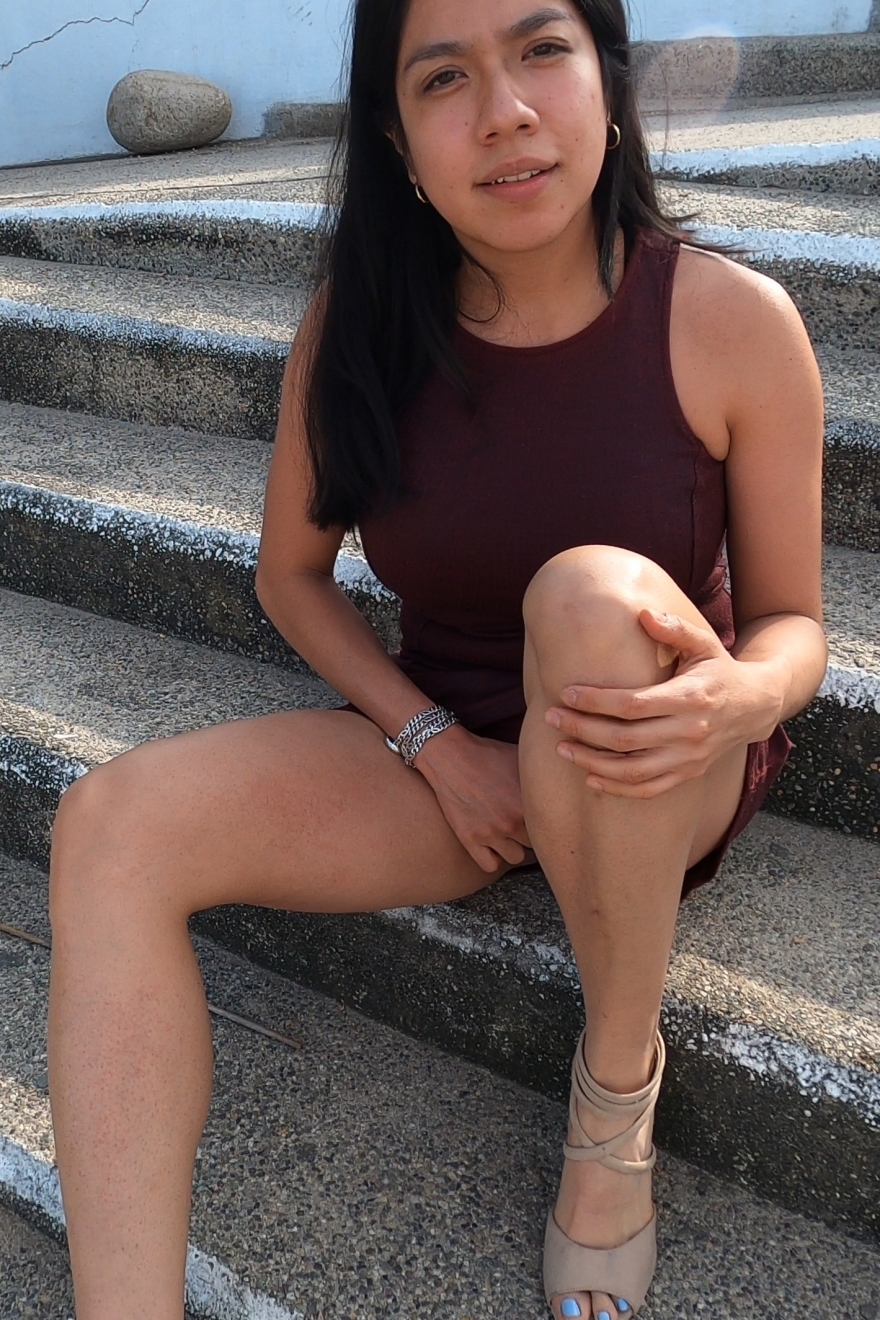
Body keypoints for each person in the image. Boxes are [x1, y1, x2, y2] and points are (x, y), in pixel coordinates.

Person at [47, 0, 827, 1316]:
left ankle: (614, 1103)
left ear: (608, 85)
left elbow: (797, 622)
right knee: (109, 825)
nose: (505, 111)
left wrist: (738, 696)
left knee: (587, 598)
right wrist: (433, 743)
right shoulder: (361, 325)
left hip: (659, 743)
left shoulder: (730, 319)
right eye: (444, 78)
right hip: (457, 743)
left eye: (541, 51)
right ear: (399, 140)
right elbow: (291, 576)